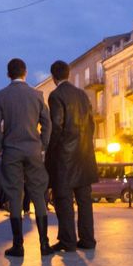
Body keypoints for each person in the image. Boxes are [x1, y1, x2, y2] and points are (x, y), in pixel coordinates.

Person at [0, 58, 53, 257]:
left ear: (8, 74)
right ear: (25, 73)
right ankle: (44, 244)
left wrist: (0, 148)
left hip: (11, 150)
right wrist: (42, 145)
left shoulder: (0, 96)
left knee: (15, 195)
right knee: (38, 194)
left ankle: (18, 245)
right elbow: (47, 123)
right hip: (33, 150)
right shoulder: (37, 95)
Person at [45, 60, 99, 251]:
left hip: (65, 159)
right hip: (84, 156)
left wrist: (50, 153)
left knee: (64, 200)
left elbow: (56, 127)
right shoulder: (82, 94)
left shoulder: (56, 96)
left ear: (53, 77)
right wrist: (86, 145)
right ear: (68, 74)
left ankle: (68, 241)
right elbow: (91, 124)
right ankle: (88, 239)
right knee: (85, 201)